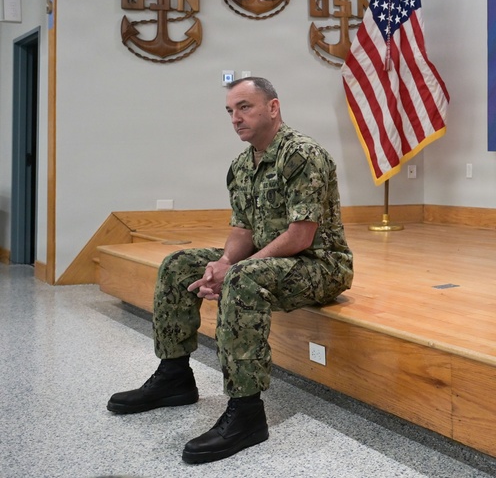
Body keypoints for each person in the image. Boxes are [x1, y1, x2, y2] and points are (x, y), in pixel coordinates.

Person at [107, 76, 353, 464]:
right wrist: (221, 263)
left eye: (245, 107)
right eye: (230, 111)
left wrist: (236, 270)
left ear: (273, 108)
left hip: (319, 264)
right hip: (272, 258)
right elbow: (242, 230)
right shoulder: (241, 165)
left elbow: (301, 236)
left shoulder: (301, 154)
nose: (235, 118)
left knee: (242, 278)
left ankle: (247, 412)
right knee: (178, 264)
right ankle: (174, 377)